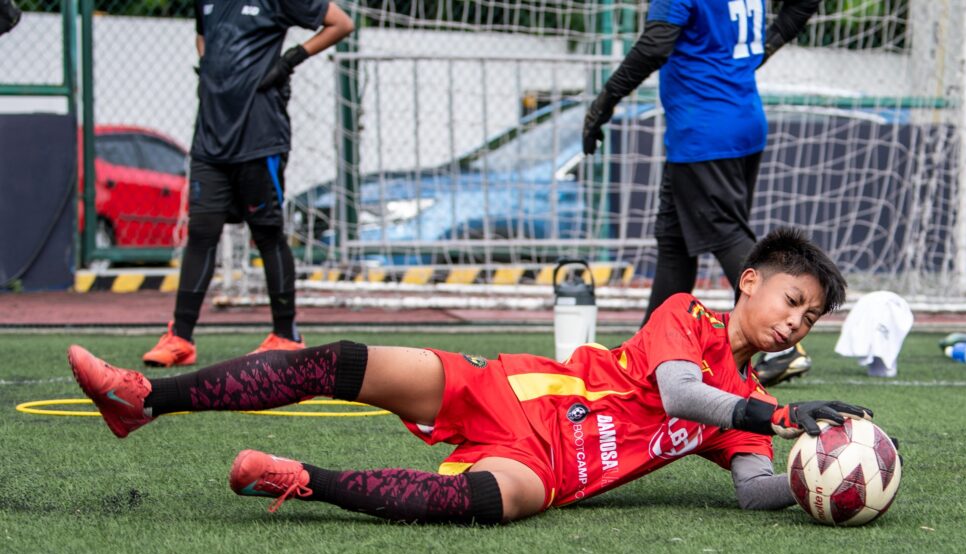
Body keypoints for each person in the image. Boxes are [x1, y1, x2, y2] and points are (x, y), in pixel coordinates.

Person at [69, 228, 873, 524]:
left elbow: (753, 488)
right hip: (513, 389)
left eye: (809, 319)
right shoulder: (686, 317)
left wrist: (838, 459)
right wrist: (776, 416)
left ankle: (302, 481)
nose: (795, 323)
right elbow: (677, 393)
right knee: (340, 362)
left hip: (547, 468)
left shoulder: (756, 406)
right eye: (792, 301)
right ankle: (143, 400)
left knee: (493, 502)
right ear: (751, 283)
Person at [582, 0, 821, 386]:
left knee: (724, 231)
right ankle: (642, 354)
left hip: (704, 130)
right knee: (674, 240)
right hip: (736, 121)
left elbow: (656, 44)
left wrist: (603, 102)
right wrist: (756, 54)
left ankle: (785, 344)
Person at [141, 0, 355, 367]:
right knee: (202, 231)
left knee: (268, 232)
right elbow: (203, 38)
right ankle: (180, 338)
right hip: (210, 139)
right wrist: (211, 76)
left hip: (260, 138)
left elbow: (341, 23)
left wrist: (289, 60)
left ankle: (287, 335)